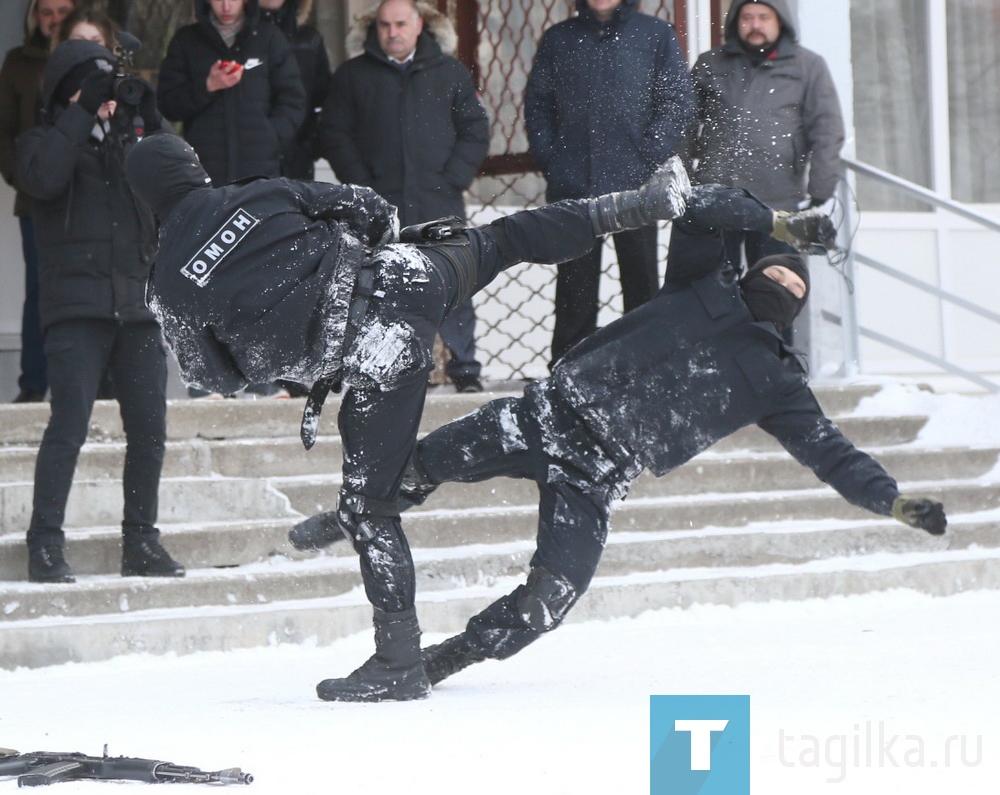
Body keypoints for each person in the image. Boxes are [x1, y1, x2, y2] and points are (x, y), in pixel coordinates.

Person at [125, 136, 699, 702]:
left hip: (375, 353)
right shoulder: (256, 193)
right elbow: (371, 207)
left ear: (143, 196)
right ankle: (638, 205)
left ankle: (398, 659)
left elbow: (215, 380)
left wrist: (277, 349)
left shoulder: (167, 286)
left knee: (368, 509)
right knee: (505, 238)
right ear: (193, 166)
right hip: (409, 278)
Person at [309, 185, 944, 689]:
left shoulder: (778, 381)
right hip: (546, 416)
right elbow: (697, 206)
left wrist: (890, 500)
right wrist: (780, 225)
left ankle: (441, 661)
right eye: (779, 274)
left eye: (796, 289)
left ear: (798, 315)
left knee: (551, 601)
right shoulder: (703, 282)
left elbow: (831, 454)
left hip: (598, 475)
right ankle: (351, 518)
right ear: (757, 270)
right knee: (424, 463)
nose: (785, 286)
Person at [16, 39, 183, 583]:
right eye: (94, 86)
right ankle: (44, 543)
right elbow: (41, 178)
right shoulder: (42, 142)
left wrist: (151, 120)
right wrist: (82, 109)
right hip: (75, 310)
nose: (108, 98)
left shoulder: (130, 145)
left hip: (135, 307)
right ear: (69, 90)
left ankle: (141, 541)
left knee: (150, 429)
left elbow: (184, 187)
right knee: (68, 426)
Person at [525, 0, 695, 366]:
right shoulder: (560, 39)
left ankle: (646, 361)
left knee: (640, 279)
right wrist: (552, 156)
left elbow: (676, 100)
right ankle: (569, 364)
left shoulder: (654, 35)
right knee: (575, 282)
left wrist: (651, 152)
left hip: (637, 183)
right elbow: (538, 104)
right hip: (574, 181)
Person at [321, 0, 490, 392]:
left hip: (439, 201)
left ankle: (465, 371)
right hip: (379, 206)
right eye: (384, 26)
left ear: (419, 26)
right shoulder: (352, 77)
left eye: (400, 25)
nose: (392, 33)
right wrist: (363, 184)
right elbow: (334, 134)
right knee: (380, 286)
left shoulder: (450, 74)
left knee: (454, 282)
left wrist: (453, 178)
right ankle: (394, 374)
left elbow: (475, 129)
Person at [682, 0, 846, 272]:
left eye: (763, 17)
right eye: (747, 18)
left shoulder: (808, 67)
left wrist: (820, 188)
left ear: (780, 21)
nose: (755, 25)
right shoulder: (711, 63)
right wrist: (686, 181)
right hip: (718, 199)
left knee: (776, 288)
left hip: (777, 201)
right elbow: (684, 123)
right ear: (735, 21)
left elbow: (828, 129)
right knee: (712, 292)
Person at [157, 0, 306, 186]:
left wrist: (271, 137)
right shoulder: (187, 41)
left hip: (260, 169)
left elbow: (293, 98)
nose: (226, 6)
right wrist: (208, 86)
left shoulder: (269, 38)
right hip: (205, 169)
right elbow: (168, 103)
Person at [0, 0, 81, 403]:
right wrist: (23, 176)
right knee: (41, 292)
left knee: (86, 290)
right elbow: (5, 133)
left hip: (86, 197)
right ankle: (33, 384)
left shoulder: (88, 57)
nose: (54, 19)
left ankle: (87, 383)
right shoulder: (18, 63)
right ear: (35, 17)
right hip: (36, 200)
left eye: (63, 11)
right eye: (46, 11)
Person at [244, 0, 332, 181]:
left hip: (297, 159)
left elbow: (323, 99)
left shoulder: (309, 40)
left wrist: (311, 145)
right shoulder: (238, 39)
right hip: (247, 157)